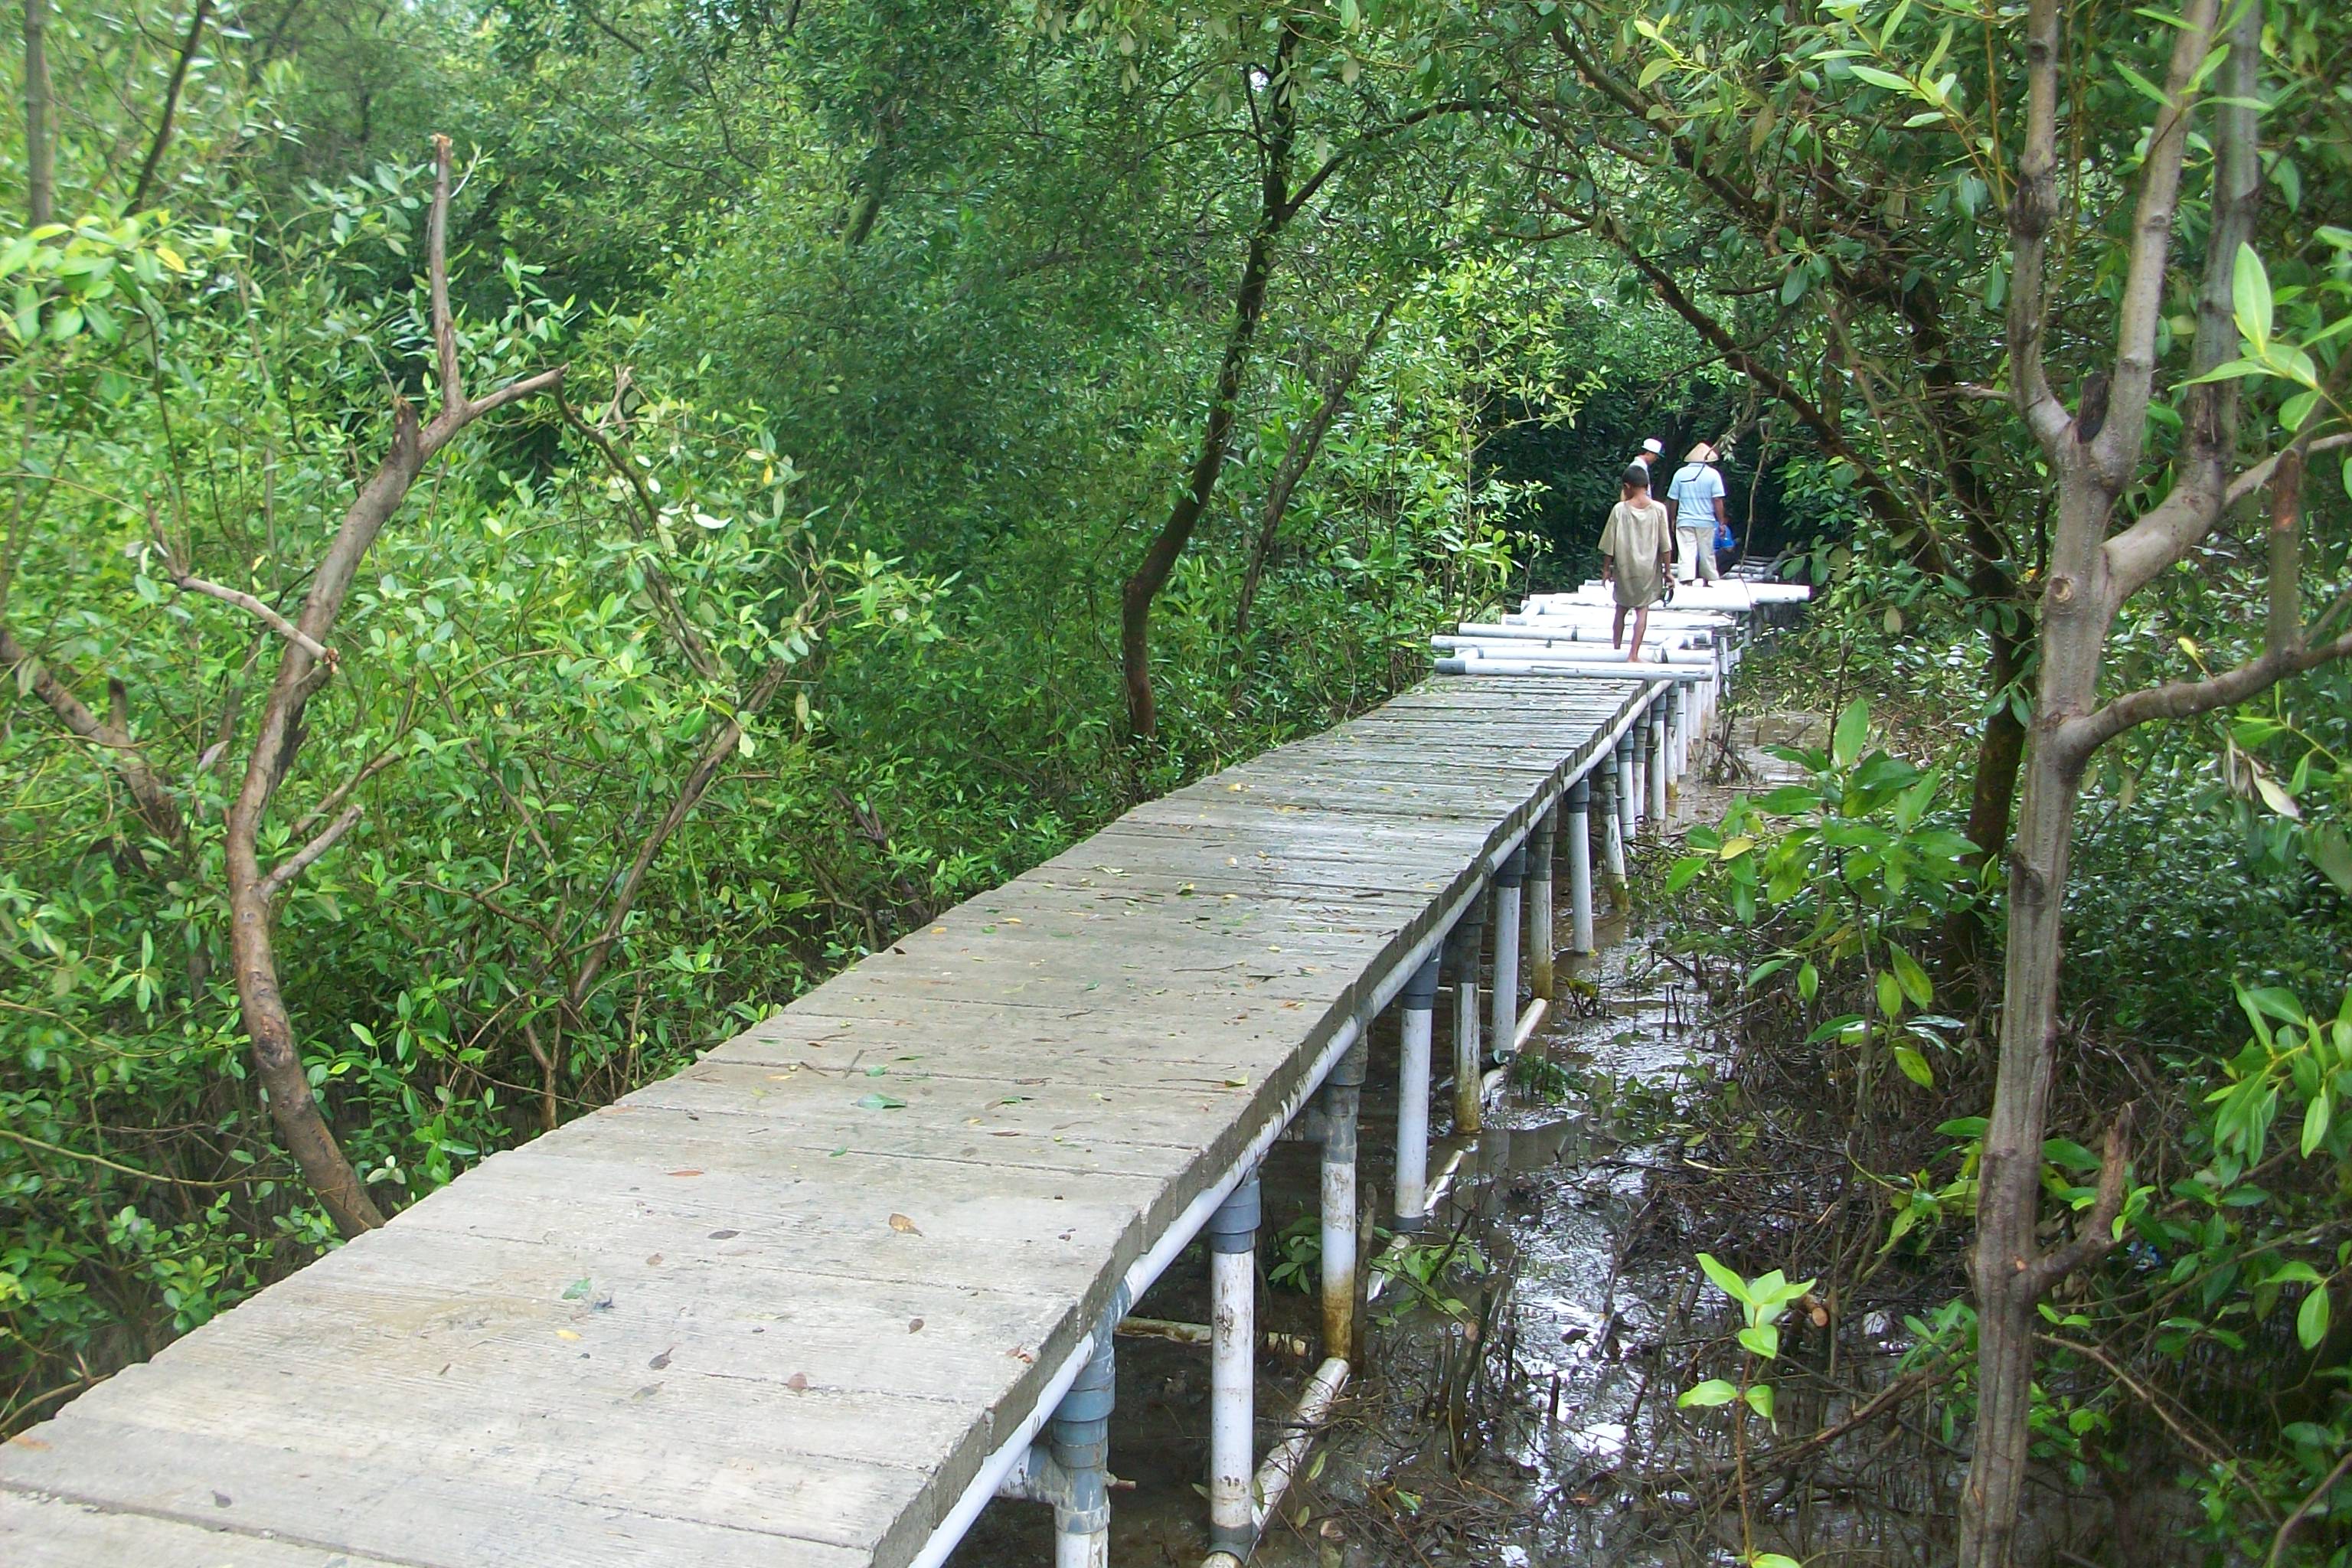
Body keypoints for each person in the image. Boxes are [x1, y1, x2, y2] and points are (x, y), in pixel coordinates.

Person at [1599, 462, 1673, 662]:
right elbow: (1665, 545)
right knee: (1642, 610)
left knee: (1620, 609)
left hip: (1624, 567)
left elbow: (1609, 544)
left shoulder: (1619, 510)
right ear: (1647, 486)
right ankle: (1633, 654)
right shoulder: (1659, 509)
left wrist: (1606, 569)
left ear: (1627, 486)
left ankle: (1616, 649)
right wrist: (1667, 571)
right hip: (1648, 568)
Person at [1664, 441, 1727, 583]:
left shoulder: (1680, 473)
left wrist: (1673, 518)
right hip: (1706, 520)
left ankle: (1687, 579)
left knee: (1686, 551)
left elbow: (1673, 499)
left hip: (1685, 519)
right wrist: (1721, 522)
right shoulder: (1713, 475)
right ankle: (1707, 578)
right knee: (1707, 551)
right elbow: (1718, 500)